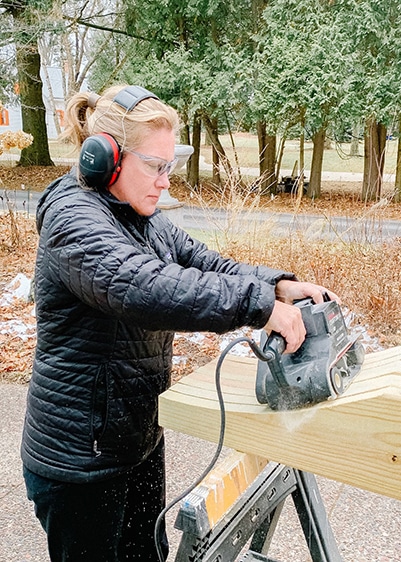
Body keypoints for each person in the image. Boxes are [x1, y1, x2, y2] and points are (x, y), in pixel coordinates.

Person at [21, 84, 337, 562]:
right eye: (156, 166)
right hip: (80, 460)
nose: (166, 180)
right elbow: (146, 286)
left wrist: (277, 286)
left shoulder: (138, 213)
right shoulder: (73, 219)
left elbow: (201, 262)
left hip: (136, 438)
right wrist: (259, 307)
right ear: (106, 158)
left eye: (171, 166)